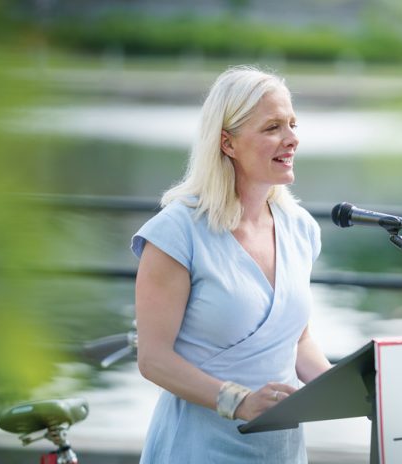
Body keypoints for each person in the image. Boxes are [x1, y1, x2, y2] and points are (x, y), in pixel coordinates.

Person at [130, 65, 332, 463]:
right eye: (273, 127)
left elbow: (296, 341)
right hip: (198, 448)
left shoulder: (301, 230)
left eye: (292, 124)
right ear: (228, 143)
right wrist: (239, 401)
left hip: (281, 450)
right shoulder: (177, 232)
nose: (292, 139)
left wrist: (352, 391)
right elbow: (153, 358)